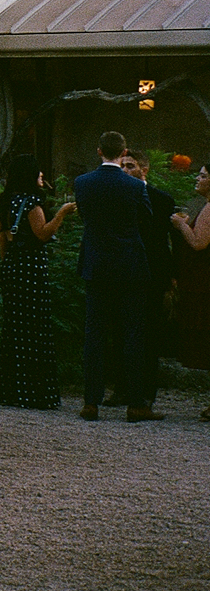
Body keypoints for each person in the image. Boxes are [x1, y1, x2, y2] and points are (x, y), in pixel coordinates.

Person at [74, 131, 158, 422]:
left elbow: (84, 217)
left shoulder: (83, 183)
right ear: (123, 153)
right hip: (129, 264)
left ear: (99, 151)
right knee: (133, 333)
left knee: (94, 334)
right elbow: (146, 217)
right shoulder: (134, 186)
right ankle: (135, 402)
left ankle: (91, 401)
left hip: (96, 263)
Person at [0, 156, 72, 411]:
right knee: (35, 328)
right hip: (31, 268)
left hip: (13, 266)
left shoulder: (6, 201)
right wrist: (62, 213)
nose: (41, 176)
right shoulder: (32, 203)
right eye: (38, 172)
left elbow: (2, 238)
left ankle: (10, 390)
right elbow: (42, 233)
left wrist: (7, 265)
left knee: (15, 328)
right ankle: (35, 392)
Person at [121, 150, 176, 409]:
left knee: (150, 333)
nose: (125, 171)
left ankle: (145, 393)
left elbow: (163, 242)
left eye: (130, 166)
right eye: (122, 166)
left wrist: (170, 276)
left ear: (144, 170)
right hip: (124, 271)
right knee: (121, 330)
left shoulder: (161, 200)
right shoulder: (118, 197)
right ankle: (123, 388)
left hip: (152, 272)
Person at [170, 161, 210, 396]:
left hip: (203, 282)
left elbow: (198, 242)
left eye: (203, 176)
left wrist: (180, 225)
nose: (198, 179)